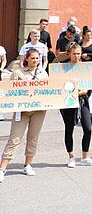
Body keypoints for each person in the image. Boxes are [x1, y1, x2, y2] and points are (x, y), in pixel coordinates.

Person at [0, 49, 48, 181]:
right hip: (21, 111)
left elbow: (48, 92)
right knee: (14, 139)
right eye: (33, 58)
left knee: (33, 138)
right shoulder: (18, 73)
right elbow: (10, 92)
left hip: (38, 111)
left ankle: (28, 165)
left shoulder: (43, 74)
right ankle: (2, 168)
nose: (35, 61)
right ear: (27, 58)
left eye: (37, 58)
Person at [59, 43, 92, 168]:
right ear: (69, 54)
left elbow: (89, 85)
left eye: (78, 54)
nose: (76, 56)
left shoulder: (85, 67)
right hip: (67, 101)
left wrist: (83, 91)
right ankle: (71, 157)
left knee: (88, 128)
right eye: (74, 54)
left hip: (83, 100)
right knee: (69, 128)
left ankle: (85, 157)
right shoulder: (62, 67)